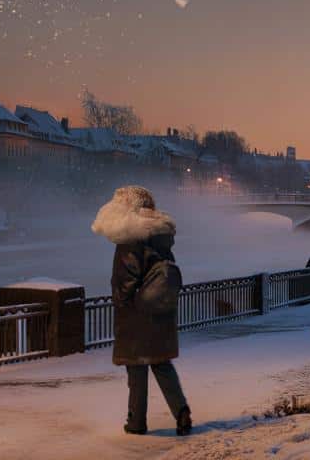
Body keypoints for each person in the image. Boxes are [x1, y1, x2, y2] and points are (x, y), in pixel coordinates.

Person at [91, 185, 192, 436]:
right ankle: (181, 411)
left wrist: (121, 301)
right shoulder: (160, 237)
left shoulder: (130, 240)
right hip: (159, 311)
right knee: (162, 364)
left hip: (136, 315)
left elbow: (124, 281)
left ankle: (136, 423)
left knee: (136, 371)